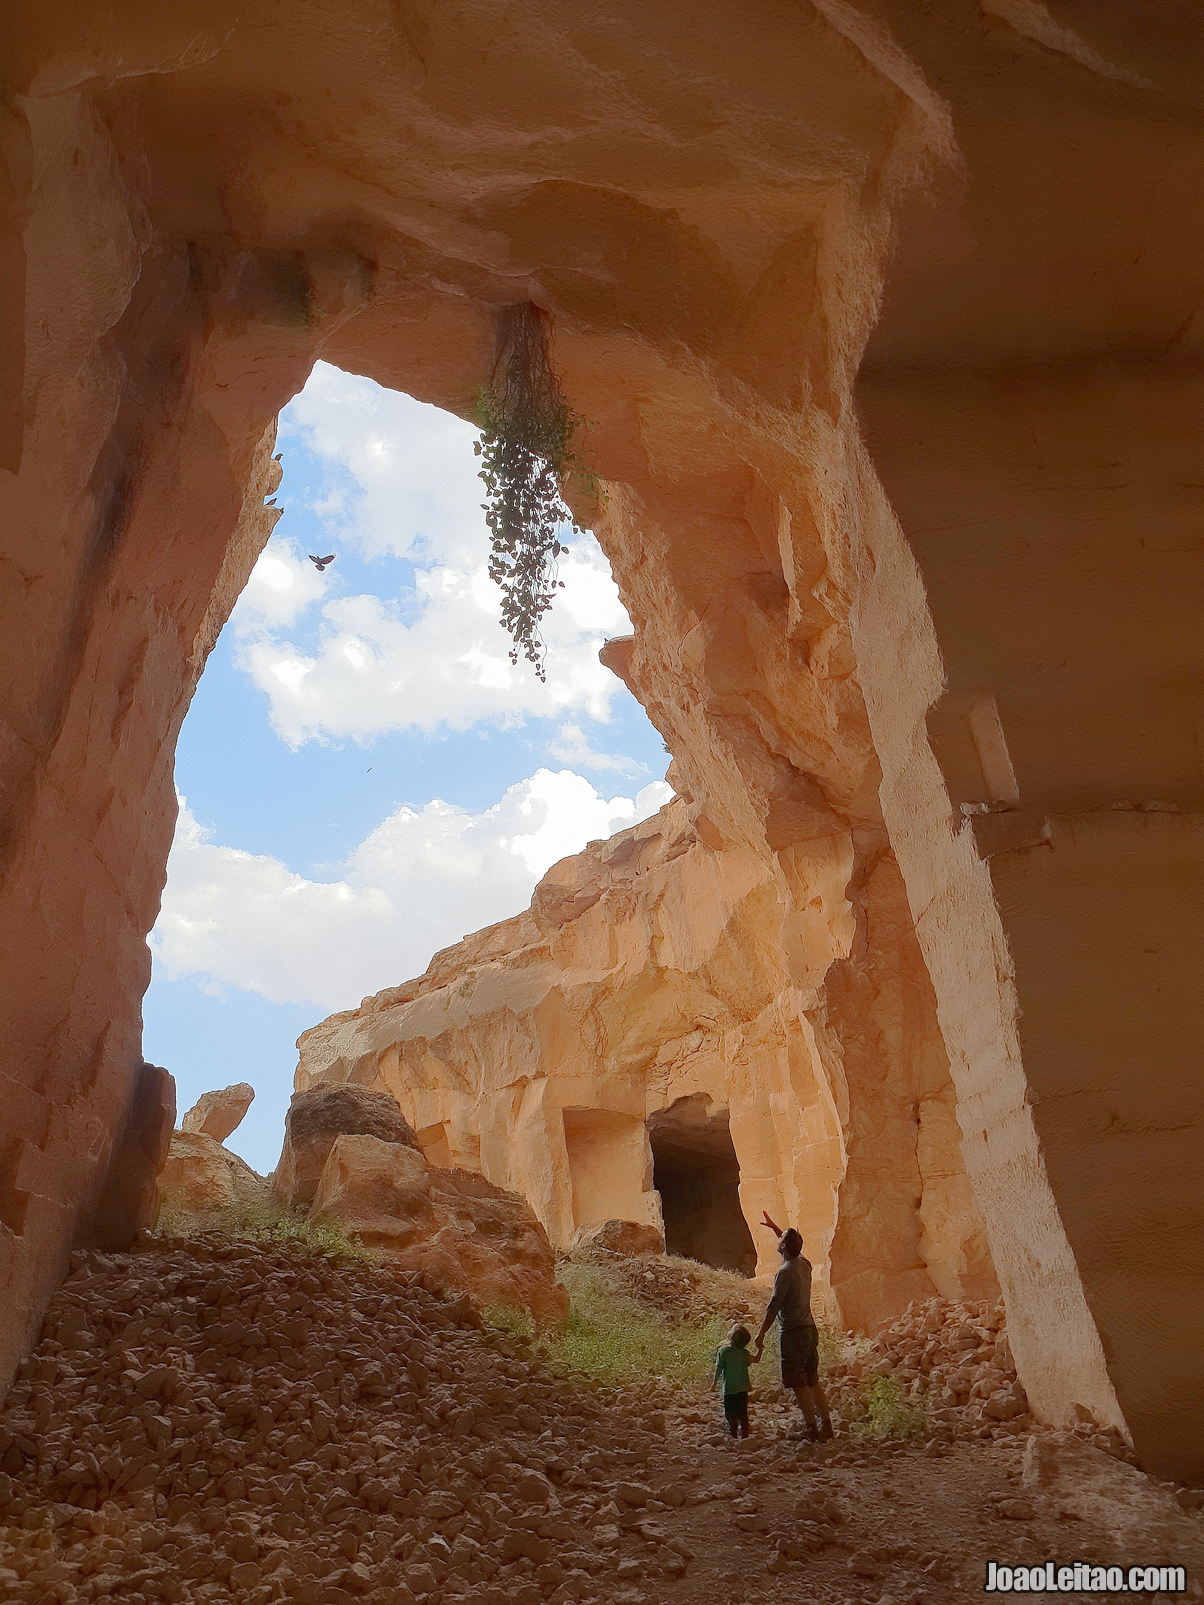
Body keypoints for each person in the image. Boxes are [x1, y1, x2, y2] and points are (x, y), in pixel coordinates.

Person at [752, 1225, 833, 1441]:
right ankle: (827, 1425)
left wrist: (760, 1334)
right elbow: (795, 1246)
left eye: (780, 1238)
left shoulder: (784, 1272)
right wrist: (775, 1228)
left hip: (793, 1332)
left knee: (799, 1384)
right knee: (813, 1379)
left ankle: (811, 1429)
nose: (777, 1239)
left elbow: (773, 1305)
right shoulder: (804, 1265)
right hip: (809, 1329)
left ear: (784, 1246)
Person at [713, 1324, 756, 1439]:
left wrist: (713, 1384)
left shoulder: (723, 1351)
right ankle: (745, 1435)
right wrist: (761, 1348)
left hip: (729, 1389)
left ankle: (733, 1434)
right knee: (743, 1413)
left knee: (730, 1413)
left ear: (732, 1337)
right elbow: (756, 1359)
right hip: (743, 1389)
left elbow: (719, 1369)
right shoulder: (744, 1353)